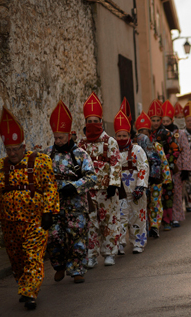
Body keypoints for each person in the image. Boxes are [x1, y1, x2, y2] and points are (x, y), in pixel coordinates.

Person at [0, 107, 59, 309]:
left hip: (34, 221)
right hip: (10, 224)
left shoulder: (40, 161)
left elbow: (50, 187)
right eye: (9, 150)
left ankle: (30, 293)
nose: (13, 153)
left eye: (16, 149)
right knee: (17, 259)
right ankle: (24, 284)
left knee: (33, 256)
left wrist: (48, 212)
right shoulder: (0, 166)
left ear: (23, 146)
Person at [45, 101, 97, 284]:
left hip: (76, 205)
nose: (57, 141)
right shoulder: (47, 155)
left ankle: (77, 270)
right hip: (54, 205)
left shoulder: (81, 154)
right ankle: (59, 265)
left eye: (61, 138)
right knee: (53, 236)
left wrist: (74, 186)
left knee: (77, 237)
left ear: (68, 135)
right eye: (55, 137)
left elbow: (92, 177)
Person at [77, 92, 122, 267]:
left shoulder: (110, 142)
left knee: (109, 221)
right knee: (90, 223)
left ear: (101, 122)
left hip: (106, 191)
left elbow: (116, 163)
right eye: (90, 121)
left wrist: (114, 183)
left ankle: (109, 252)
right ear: (85, 122)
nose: (93, 124)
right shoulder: (81, 144)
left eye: (96, 121)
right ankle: (91, 255)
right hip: (88, 191)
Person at [113, 109, 149, 254]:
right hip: (119, 191)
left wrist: (141, 187)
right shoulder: (112, 151)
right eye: (119, 136)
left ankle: (138, 243)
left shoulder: (138, 150)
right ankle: (120, 243)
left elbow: (143, 167)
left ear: (129, 135)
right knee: (120, 218)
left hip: (135, 190)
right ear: (115, 136)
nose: (121, 138)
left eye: (124, 135)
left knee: (137, 217)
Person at [135, 111, 171, 238]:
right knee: (144, 203)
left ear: (150, 134)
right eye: (141, 133)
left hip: (156, 180)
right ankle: (144, 226)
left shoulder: (157, 146)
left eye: (146, 133)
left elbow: (163, 163)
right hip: (141, 181)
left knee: (155, 202)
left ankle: (154, 225)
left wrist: (166, 179)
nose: (143, 136)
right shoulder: (134, 149)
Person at [148, 100, 179, 231]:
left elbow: (176, 149)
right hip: (151, 170)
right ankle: (154, 223)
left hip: (165, 169)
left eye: (157, 120)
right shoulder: (147, 135)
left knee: (167, 194)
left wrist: (170, 163)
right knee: (153, 195)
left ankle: (167, 220)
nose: (155, 122)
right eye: (153, 120)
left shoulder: (166, 133)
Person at [162, 101, 191, 226]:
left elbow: (185, 151)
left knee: (177, 193)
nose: (165, 124)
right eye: (163, 122)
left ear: (172, 120)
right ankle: (165, 218)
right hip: (163, 168)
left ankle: (176, 217)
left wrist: (185, 169)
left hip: (177, 168)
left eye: (167, 122)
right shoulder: (159, 134)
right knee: (165, 194)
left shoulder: (180, 133)